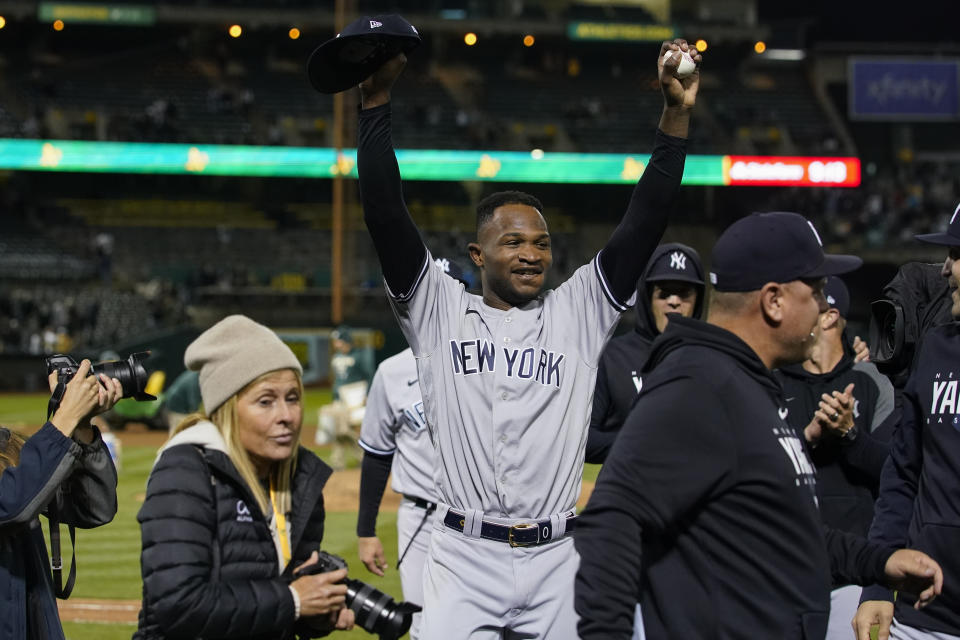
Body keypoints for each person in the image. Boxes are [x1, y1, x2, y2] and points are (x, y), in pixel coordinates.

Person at [355, 34, 699, 637]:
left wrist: (675, 116)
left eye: (541, 243)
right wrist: (376, 104)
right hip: (462, 556)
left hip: (557, 558)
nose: (531, 254)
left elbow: (644, 220)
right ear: (477, 254)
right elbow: (386, 214)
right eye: (512, 241)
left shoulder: (579, 312)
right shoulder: (438, 309)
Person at [574, 211, 944, 640]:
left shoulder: (750, 384)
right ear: (773, 301)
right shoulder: (698, 384)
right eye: (817, 289)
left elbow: (785, 527)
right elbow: (611, 525)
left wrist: (878, 562)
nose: (826, 306)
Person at [134, 314, 354, 639]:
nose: (286, 416)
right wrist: (294, 600)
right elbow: (176, 604)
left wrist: (317, 612)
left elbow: (280, 604)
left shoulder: (298, 477)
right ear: (227, 408)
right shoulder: (185, 469)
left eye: (292, 398)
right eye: (265, 401)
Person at [854, 204, 960, 640]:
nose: (947, 271)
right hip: (924, 615)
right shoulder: (935, 350)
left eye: (956, 255)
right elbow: (902, 475)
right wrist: (878, 581)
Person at [355, 257, 470, 640]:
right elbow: (376, 453)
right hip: (419, 518)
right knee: (422, 626)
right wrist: (366, 529)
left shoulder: (485, 363)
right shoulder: (391, 372)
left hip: (475, 518)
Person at [776, 275, 895, 639]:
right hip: (785, 570)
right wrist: (807, 438)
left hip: (853, 576)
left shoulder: (873, 380)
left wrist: (849, 435)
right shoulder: (774, 382)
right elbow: (756, 468)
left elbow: (893, 472)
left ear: (828, 316)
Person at [1, 359, 121, 640]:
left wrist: (80, 428)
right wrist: (63, 420)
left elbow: (93, 509)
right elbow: (10, 505)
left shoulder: (6, 447)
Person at [587, 242, 705, 463]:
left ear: (698, 299)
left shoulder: (714, 359)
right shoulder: (612, 357)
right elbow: (585, 441)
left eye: (684, 293)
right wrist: (649, 442)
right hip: (630, 491)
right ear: (647, 297)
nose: (674, 301)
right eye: (664, 293)